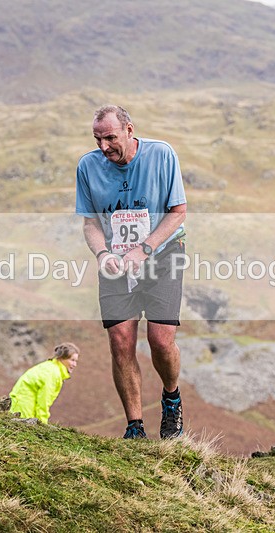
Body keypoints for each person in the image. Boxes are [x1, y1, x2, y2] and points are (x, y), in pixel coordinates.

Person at [75, 104, 187, 439]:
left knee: (160, 340)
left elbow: (178, 212)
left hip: (163, 254)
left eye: (110, 137)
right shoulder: (87, 167)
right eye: (98, 139)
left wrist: (145, 249)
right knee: (120, 340)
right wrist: (102, 253)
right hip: (116, 263)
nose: (103, 147)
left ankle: (171, 398)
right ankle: (135, 427)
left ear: (129, 130)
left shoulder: (162, 155)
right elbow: (91, 223)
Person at [9, 342, 79, 423]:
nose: (75, 364)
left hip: (20, 404)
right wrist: (43, 424)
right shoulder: (53, 373)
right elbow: (43, 403)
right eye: (72, 360)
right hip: (24, 406)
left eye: (76, 361)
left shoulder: (51, 367)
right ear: (61, 358)